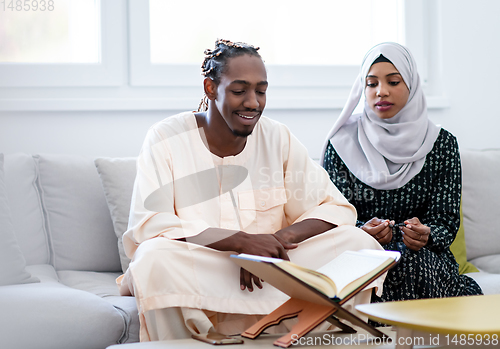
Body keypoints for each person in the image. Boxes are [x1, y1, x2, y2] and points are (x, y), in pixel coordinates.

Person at [117, 39, 385, 341]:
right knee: (155, 255)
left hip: (272, 269)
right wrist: (241, 242)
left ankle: (308, 339)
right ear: (210, 88)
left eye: (261, 90)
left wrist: (274, 242)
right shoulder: (166, 137)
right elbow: (151, 223)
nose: (253, 102)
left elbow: (334, 207)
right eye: (239, 90)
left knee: (356, 242)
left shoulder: (277, 136)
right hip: (207, 266)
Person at [321, 42, 482, 304]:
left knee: (408, 262)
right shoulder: (342, 144)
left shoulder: (441, 144)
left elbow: (446, 220)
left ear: (411, 84)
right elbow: (333, 216)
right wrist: (363, 231)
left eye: (393, 82)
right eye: (371, 84)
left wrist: (426, 233)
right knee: (385, 264)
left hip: (424, 256)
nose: (381, 92)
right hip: (360, 255)